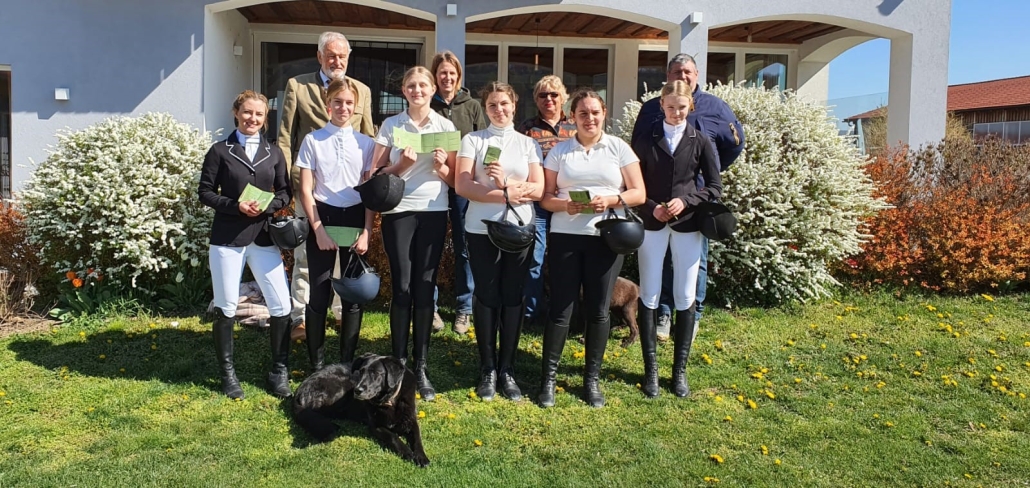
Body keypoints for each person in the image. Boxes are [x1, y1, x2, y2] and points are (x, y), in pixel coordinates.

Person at [538, 90, 646, 408]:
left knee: (599, 310)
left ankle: (592, 380)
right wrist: (565, 205)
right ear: (572, 117)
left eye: (595, 112)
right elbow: (545, 197)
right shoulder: (560, 151)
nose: (590, 118)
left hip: (605, 237)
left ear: (604, 114)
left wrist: (611, 199)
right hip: (566, 236)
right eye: (583, 113)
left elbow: (639, 192)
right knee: (561, 309)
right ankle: (548, 379)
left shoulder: (618, 148)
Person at [631, 53, 745, 339]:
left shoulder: (715, 107)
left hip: (694, 201)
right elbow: (637, 156)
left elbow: (734, 144)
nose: (682, 77)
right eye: (677, 72)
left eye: (688, 72)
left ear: (696, 75)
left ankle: (691, 316)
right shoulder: (650, 111)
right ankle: (664, 314)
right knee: (660, 262)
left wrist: (706, 175)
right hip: (656, 204)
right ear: (667, 77)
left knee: (695, 262)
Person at [278, 31, 375, 343]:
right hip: (309, 189)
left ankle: (337, 310)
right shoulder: (298, 85)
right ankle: (300, 318)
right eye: (331, 55)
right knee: (307, 258)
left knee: (343, 257)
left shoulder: (361, 90)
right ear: (319, 56)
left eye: (342, 56)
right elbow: (285, 137)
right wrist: (289, 186)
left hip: (349, 195)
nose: (337, 61)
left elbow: (369, 136)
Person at [198, 90, 293, 400]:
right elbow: (206, 192)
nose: (253, 119)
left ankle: (279, 370)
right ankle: (228, 374)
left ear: (266, 119)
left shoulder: (274, 152)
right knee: (226, 306)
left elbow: (284, 193)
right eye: (247, 113)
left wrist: (268, 206)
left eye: (259, 115)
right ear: (236, 113)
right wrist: (234, 206)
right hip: (228, 237)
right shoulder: (219, 151)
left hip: (264, 236)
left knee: (281, 305)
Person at [370, 66, 457, 402]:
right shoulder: (392, 125)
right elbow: (375, 173)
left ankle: (419, 366)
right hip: (399, 210)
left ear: (433, 89)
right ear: (403, 91)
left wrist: (441, 167)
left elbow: (454, 181)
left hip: (434, 211)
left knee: (425, 286)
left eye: (423, 85)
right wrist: (401, 166)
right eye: (411, 85)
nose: (417, 90)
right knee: (402, 285)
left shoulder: (445, 126)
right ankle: (398, 362)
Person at [632, 80, 722, 398]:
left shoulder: (701, 141)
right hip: (652, 223)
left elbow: (714, 187)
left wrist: (687, 201)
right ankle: (651, 372)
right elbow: (631, 184)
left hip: (688, 224)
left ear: (690, 107)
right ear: (662, 105)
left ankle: (679, 372)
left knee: (685, 296)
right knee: (651, 294)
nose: (676, 112)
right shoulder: (645, 138)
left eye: (682, 107)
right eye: (670, 107)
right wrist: (650, 206)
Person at [455, 81, 543, 402]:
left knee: (512, 296)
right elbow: (463, 184)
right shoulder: (473, 140)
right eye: (493, 105)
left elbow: (540, 188)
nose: (499, 110)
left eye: (504, 103)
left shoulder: (527, 144)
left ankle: (508, 368)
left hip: (519, 229)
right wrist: (502, 193)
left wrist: (510, 184)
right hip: (481, 229)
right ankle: (487, 367)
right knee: (487, 295)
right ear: (485, 108)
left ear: (514, 105)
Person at [295, 78, 377, 371]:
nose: (343, 107)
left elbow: (369, 191)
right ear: (328, 105)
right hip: (324, 217)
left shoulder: (367, 143)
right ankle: (316, 365)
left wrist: (367, 230)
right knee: (319, 291)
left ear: (356, 108)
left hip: (355, 216)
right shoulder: (313, 140)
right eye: (338, 102)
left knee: (353, 293)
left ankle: (345, 363)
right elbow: (306, 189)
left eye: (349, 103)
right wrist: (317, 229)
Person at [429, 51, 487, 334]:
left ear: (458, 76)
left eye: (452, 73)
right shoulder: (427, 105)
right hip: (432, 185)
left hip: (464, 185)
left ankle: (464, 309)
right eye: (442, 73)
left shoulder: (473, 106)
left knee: (465, 247)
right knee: (433, 248)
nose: (447, 78)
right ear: (435, 76)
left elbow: (486, 146)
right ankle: (431, 308)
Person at [516, 75, 577, 327]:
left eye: (554, 94)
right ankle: (532, 313)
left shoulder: (576, 128)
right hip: (538, 204)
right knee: (536, 259)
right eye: (543, 95)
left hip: (569, 204)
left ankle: (565, 312)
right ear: (536, 100)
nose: (549, 99)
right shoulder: (527, 128)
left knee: (566, 260)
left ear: (563, 97)